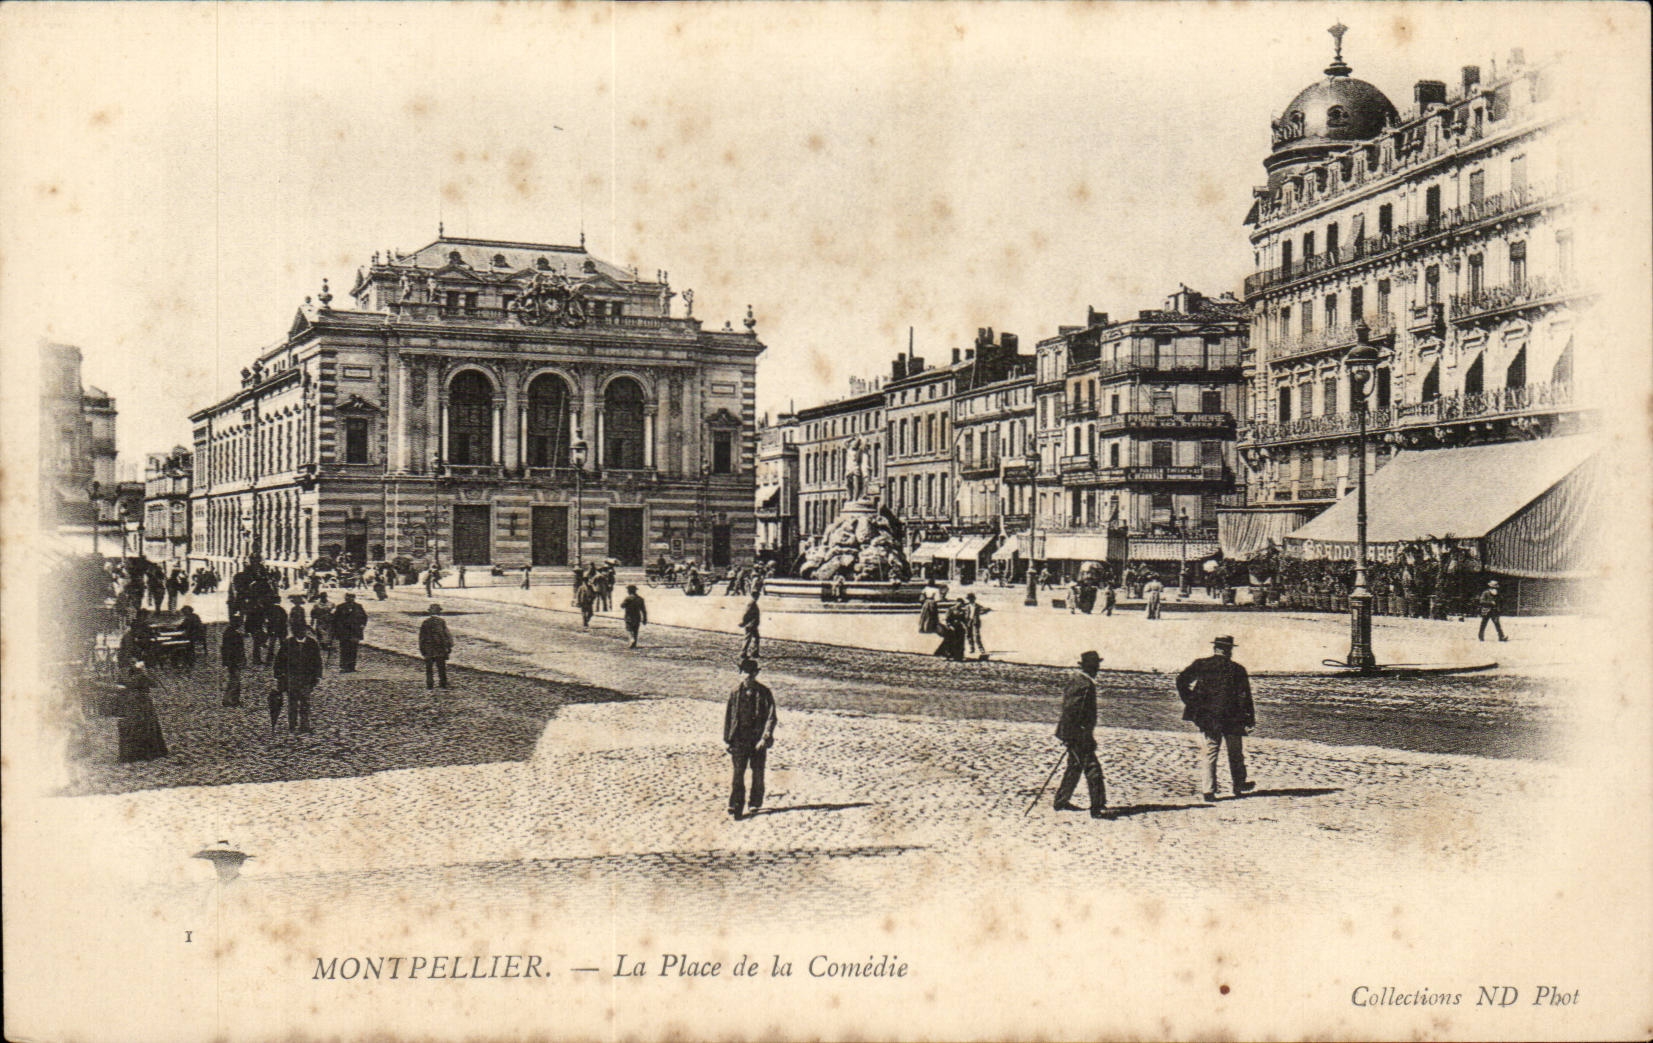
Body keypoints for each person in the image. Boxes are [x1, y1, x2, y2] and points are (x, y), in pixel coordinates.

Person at [1176, 635, 1256, 802]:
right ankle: (1239, 785)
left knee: (1211, 751)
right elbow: (1245, 697)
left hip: (1209, 716)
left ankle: (1208, 790)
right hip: (1233, 716)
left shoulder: (1202, 664)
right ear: (1230, 650)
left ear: (1215, 648)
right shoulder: (1238, 669)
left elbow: (1181, 680)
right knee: (1235, 752)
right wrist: (1249, 719)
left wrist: (1191, 701)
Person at [1053, 650, 1107, 818]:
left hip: (1073, 733)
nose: (1098, 669)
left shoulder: (1077, 680)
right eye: (1096, 666)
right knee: (1093, 769)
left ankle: (1061, 801)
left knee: (1074, 767)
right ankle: (1097, 807)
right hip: (1078, 734)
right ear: (1090, 667)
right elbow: (1073, 712)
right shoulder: (1084, 685)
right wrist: (1079, 737)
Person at [723, 657, 777, 820]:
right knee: (738, 774)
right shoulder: (735, 692)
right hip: (739, 738)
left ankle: (755, 802)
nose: (747, 676)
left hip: (757, 739)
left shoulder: (764, 692)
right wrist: (728, 739)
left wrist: (765, 738)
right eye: (744, 672)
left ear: (755, 674)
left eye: (750, 673)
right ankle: (736, 804)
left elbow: (771, 717)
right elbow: (729, 717)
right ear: (741, 673)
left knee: (757, 772)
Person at [272, 620, 323, 735]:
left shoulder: (312, 643)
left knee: (305, 702)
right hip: (291, 678)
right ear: (294, 631)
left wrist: (318, 675)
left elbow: (317, 661)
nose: (301, 632)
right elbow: (279, 661)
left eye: (303, 630)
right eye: (298, 630)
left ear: (306, 631)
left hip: (307, 678)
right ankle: (292, 725)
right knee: (292, 703)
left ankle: (305, 726)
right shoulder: (288, 643)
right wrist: (279, 676)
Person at [418, 603, 453, 689]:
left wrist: (422, 648)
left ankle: (430, 683)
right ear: (439, 612)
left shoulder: (425, 622)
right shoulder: (441, 622)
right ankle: (443, 683)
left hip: (428, 647)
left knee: (429, 667)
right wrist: (449, 646)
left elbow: (422, 637)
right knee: (441, 667)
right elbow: (446, 635)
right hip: (439, 648)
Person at [333, 591, 368, 672]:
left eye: (352, 597)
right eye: (348, 597)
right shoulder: (340, 607)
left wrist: (362, 624)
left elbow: (364, 617)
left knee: (353, 649)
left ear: (354, 598)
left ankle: (352, 666)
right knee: (344, 649)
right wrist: (337, 630)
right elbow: (335, 619)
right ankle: (344, 667)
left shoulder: (358, 606)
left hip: (355, 632)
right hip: (344, 632)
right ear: (345, 598)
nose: (350, 599)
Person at [221, 617, 246, 706]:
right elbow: (237, 650)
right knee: (235, 681)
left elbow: (224, 649)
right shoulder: (235, 635)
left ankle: (232, 699)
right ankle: (229, 700)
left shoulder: (227, 633)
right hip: (235, 661)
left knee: (234, 680)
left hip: (232, 661)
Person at [177, 605, 207, 673]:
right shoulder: (193, 616)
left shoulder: (191, 618)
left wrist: (179, 629)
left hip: (195, 635)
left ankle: (185, 653)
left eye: (185, 611)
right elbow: (183, 626)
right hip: (196, 634)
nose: (184, 613)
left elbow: (187, 627)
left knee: (181, 639)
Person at [310, 594, 335, 662]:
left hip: (328, 622)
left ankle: (327, 644)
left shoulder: (331, 604)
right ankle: (322, 645)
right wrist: (312, 622)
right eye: (322, 597)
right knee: (320, 634)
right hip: (320, 621)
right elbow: (313, 613)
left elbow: (334, 613)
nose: (323, 598)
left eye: (324, 597)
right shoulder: (317, 604)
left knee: (328, 634)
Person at [740, 593, 761, 659]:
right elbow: (746, 613)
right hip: (750, 625)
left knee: (756, 637)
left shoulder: (753, 603)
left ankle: (754, 653)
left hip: (753, 624)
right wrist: (744, 622)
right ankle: (743, 653)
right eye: (757, 596)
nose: (758, 597)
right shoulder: (751, 603)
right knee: (748, 639)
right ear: (754, 596)